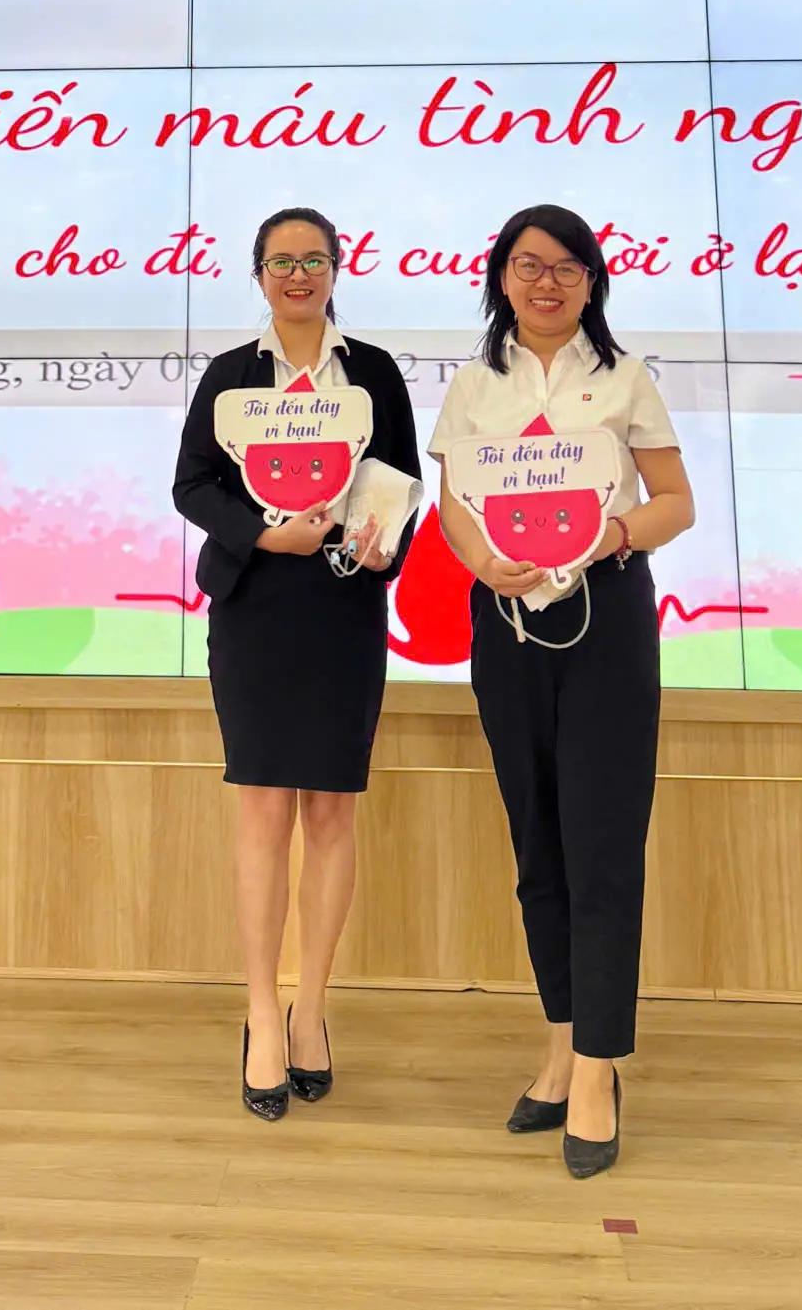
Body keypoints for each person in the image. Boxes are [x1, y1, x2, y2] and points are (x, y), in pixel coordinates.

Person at [429, 204, 693, 1181]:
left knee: (601, 845)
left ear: (591, 281)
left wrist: (614, 533)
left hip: (605, 620)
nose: (547, 282)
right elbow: (454, 503)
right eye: (529, 265)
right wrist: (479, 558)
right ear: (501, 276)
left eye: (567, 267)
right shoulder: (473, 384)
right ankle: (558, 1044)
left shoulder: (624, 377)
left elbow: (675, 501)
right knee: (537, 843)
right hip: (504, 625)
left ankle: (596, 1069)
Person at [172, 207, 421, 1120]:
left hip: (342, 608)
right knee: (263, 811)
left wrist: (383, 542)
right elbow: (191, 484)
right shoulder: (229, 375)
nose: (297, 273)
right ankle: (258, 1016)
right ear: (258, 274)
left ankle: (310, 1009)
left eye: (313, 258)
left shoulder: (375, 372)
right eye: (281, 261)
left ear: (335, 268)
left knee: (331, 811)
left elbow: (402, 482)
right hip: (255, 609)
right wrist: (263, 533)